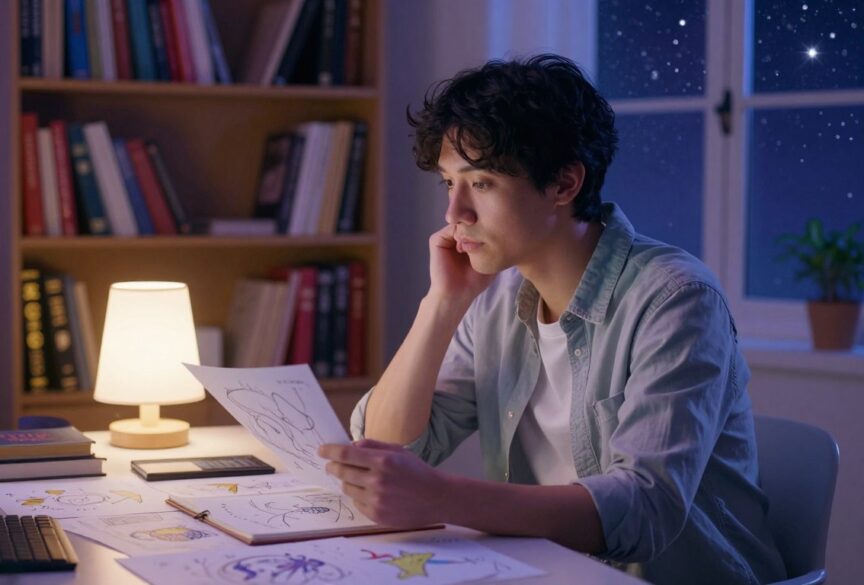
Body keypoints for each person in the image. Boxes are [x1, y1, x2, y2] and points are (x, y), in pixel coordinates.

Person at [318, 54, 787, 585]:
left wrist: (440, 496)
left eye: (483, 183)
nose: (455, 214)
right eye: (449, 183)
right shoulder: (496, 300)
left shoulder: (677, 297)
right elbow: (390, 449)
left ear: (564, 184)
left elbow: (643, 508)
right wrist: (440, 305)